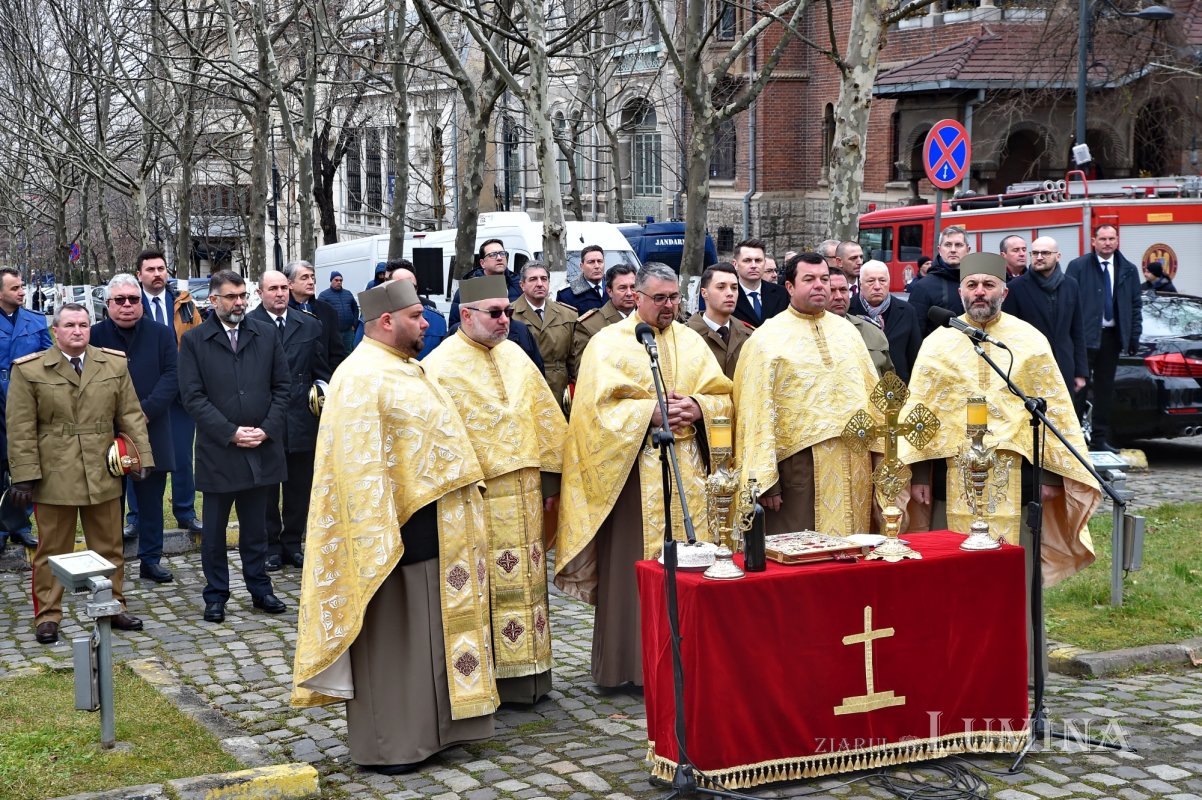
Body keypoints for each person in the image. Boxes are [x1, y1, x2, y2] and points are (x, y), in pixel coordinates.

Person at [292, 279, 498, 772]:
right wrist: (379, 534)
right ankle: (392, 744)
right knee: (395, 645)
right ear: (387, 321)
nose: (426, 324)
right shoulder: (361, 376)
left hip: (435, 528)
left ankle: (438, 733)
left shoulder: (406, 368)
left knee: (430, 637)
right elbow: (358, 468)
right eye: (416, 317)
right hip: (393, 534)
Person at [901, 252, 1101, 679]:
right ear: (959, 291)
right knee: (950, 576)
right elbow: (920, 412)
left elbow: (1053, 413)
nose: (979, 293)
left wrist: (1049, 474)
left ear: (1004, 292)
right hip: (949, 481)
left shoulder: (1028, 341)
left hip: (1018, 479)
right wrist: (918, 473)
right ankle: (949, 671)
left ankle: (1019, 672)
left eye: (988, 286)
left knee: (1014, 580)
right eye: (971, 285)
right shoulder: (939, 341)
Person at [555, 263, 732, 689]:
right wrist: (645, 413)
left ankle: (690, 664)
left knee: (692, 567)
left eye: (675, 298)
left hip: (689, 470)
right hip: (633, 475)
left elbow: (724, 397)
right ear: (637, 296)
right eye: (660, 298)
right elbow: (592, 415)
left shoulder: (692, 342)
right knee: (634, 570)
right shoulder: (607, 344)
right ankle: (630, 669)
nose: (669, 306)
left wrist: (698, 407)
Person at [424, 275, 568, 704]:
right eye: (495, 313)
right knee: (486, 587)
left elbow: (542, 420)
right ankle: (493, 682)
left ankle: (532, 678)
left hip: (524, 494)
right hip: (478, 496)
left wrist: (549, 480)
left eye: (507, 311)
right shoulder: (440, 366)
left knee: (527, 584)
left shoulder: (516, 357)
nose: (506, 320)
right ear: (466, 315)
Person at [8, 303, 152, 644]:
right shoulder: (31, 370)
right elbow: (20, 427)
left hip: (103, 470)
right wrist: (24, 475)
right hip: (54, 473)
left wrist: (140, 458)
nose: (77, 331)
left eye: (84, 325)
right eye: (70, 325)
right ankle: (48, 616)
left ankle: (112, 605)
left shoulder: (112, 363)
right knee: (52, 551)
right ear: (55, 330)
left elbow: (131, 413)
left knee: (110, 547)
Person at [733, 253, 881, 536]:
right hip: (798, 469)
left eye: (824, 279)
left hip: (853, 462)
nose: (820, 286)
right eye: (809, 279)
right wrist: (766, 481)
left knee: (852, 550)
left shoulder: (848, 332)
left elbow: (870, 396)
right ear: (789, 287)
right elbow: (754, 412)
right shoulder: (767, 339)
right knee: (801, 556)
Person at [179, 271, 290, 623]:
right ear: (213, 301)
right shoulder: (196, 341)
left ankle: (260, 589)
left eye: (243, 296)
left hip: (261, 448)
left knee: (256, 529)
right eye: (231, 297)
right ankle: (216, 595)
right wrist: (230, 432)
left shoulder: (265, 333)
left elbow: (283, 388)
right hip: (219, 452)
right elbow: (193, 398)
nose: (240, 302)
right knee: (213, 532)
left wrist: (266, 430)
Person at [90, 274, 179, 584]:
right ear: (108, 303)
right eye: (120, 300)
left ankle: (151, 559)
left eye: (133, 299)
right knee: (108, 502)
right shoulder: (94, 335)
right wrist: (118, 417)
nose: (127, 305)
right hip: (106, 432)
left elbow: (172, 375)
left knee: (151, 498)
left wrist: (145, 411)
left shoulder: (161, 333)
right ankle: (110, 564)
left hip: (151, 427)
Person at [250, 271, 331, 571]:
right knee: (268, 488)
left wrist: (322, 390)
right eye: (273, 289)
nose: (280, 294)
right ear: (260, 293)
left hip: (300, 417)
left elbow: (321, 369)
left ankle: (292, 543)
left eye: (284, 287)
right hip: (266, 418)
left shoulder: (309, 325)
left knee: (299, 487)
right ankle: (270, 545)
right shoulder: (249, 326)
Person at [134, 250, 204, 538]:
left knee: (181, 457)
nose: (157, 274)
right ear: (140, 275)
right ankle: (136, 517)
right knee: (137, 457)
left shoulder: (184, 304)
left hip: (180, 393)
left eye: (161, 268)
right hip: (144, 396)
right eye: (150, 269)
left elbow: (198, 341)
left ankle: (185, 512)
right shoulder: (131, 304)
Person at [1065, 224, 1142, 454]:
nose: (1107, 243)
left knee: (1105, 391)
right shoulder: (1078, 266)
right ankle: (1073, 438)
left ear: (1117, 240)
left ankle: (1099, 439)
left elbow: (1135, 305)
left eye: (1111, 238)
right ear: (1093, 241)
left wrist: (1133, 336)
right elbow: (1068, 301)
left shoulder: (1128, 269)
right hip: (1084, 337)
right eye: (1103, 239)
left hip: (1112, 337)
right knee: (1078, 388)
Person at [0, 266, 51, 550]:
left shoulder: (36, 320)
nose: (22, 292)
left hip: (29, 402)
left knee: (25, 466)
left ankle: (21, 525)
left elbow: (48, 358)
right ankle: (0, 529)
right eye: (15, 288)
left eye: (22, 286)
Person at [1002, 236, 1089, 398]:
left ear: (1058, 256)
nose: (1039, 257)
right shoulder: (1015, 288)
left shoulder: (1071, 285)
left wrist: (1080, 371)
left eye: (1045, 253)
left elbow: (1077, 331)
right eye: (1035, 253)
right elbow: (1008, 334)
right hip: (1030, 369)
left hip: (1064, 366)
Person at [513, 262, 577, 410]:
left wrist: (576, 386)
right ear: (522, 285)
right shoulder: (510, 315)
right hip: (525, 388)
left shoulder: (568, 314)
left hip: (560, 389)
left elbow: (574, 358)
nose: (540, 284)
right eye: (533, 279)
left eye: (544, 279)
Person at [852, 259, 923, 382]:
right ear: (860, 284)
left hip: (898, 388)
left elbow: (915, 356)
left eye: (882, 280)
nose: (877, 286)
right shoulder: (848, 309)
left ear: (889, 282)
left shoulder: (907, 311)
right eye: (871, 281)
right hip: (861, 385)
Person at [686, 263, 751, 380]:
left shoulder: (748, 335)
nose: (730, 293)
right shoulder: (687, 336)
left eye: (734, 288)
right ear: (704, 293)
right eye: (721, 287)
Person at [570, 263, 638, 373]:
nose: (629, 293)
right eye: (622, 288)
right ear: (609, 291)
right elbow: (584, 373)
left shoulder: (648, 319)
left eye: (633, 287)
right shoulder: (589, 325)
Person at [828, 267, 893, 378]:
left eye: (843, 290)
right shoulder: (803, 334)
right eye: (831, 290)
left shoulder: (872, 330)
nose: (839, 297)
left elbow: (888, 379)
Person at [285, 259, 347, 371]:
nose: (311, 282)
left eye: (312, 277)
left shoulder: (328, 311)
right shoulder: (282, 312)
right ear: (290, 284)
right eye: (304, 278)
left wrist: (328, 379)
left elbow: (337, 352)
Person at [908, 226, 972, 334]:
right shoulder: (923, 287)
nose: (953, 250)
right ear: (939, 249)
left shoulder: (979, 283)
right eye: (947, 245)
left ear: (968, 250)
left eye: (958, 245)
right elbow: (915, 331)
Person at [449, 239, 522, 326]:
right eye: (493, 255)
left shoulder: (519, 285)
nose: (499, 258)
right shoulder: (469, 289)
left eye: (502, 254)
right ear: (482, 263)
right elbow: (456, 325)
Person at [387, 260, 447, 357]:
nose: (407, 292)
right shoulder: (374, 320)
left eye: (411, 287)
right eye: (400, 287)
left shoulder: (437, 320)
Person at [730, 238, 788, 327]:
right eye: (747, 260)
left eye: (758, 260)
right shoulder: (728, 295)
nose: (754, 265)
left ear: (764, 263)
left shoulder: (782, 293)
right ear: (735, 264)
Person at [555, 244, 608, 314]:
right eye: (591, 262)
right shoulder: (567, 295)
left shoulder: (615, 287)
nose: (597, 266)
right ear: (581, 266)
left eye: (599, 261)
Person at [317, 271, 360, 355]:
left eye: (340, 280)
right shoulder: (324, 295)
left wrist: (354, 324)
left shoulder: (348, 294)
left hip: (348, 331)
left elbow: (355, 309)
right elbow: (319, 313)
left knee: (349, 352)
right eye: (336, 280)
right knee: (335, 353)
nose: (339, 282)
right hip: (334, 332)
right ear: (331, 281)